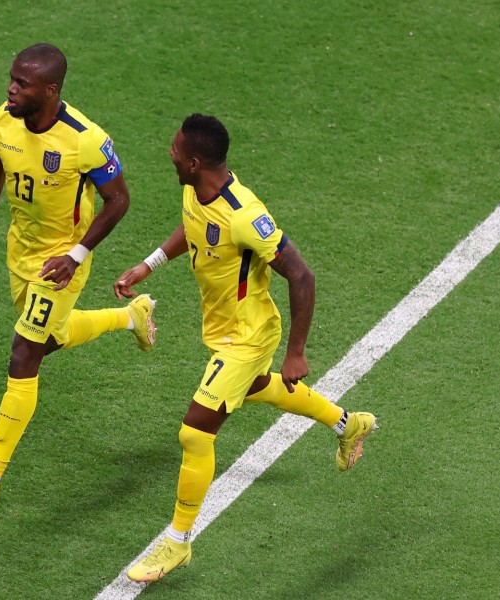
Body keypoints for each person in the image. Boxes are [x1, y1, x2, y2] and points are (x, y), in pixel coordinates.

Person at [113, 114, 377, 582]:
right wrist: (148, 265)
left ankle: (177, 542)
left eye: (176, 151)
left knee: (195, 433)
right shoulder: (194, 189)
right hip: (223, 329)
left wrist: (296, 352)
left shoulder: (245, 215)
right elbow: (193, 228)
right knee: (255, 388)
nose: (170, 154)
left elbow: (302, 275)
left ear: (195, 162)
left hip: (248, 336)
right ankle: (348, 423)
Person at [0, 43, 156, 511]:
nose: (11, 89)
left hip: (61, 264)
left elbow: (119, 199)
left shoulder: (84, 139)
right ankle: (131, 317)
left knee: (24, 351)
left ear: (50, 90)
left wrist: (76, 255)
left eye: (22, 83)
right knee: (47, 338)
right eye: (12, 78)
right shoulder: (2, 122)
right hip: (20, 255)